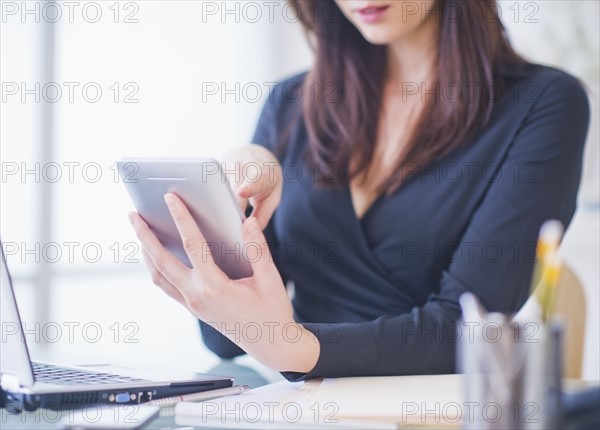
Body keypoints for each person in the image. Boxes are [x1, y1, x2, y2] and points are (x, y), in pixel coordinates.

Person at [129, 0, 589, 380]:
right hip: (292, 406)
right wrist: (228, 212)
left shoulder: (544, 103)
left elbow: (469, 328)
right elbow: (224, 339)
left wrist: (292, 349)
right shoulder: (291, 103)